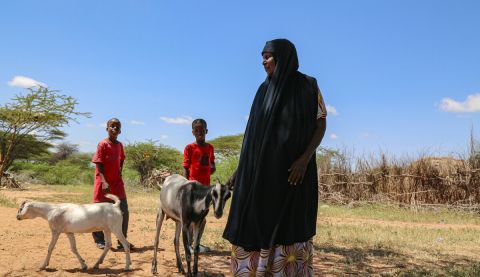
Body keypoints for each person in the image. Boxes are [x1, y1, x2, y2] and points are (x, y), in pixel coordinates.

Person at [223, 39, 327, 276]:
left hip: (294, 176)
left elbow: (320, 124)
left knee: (289, 227)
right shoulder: (263, 90)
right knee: (255, 223)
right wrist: (242, 169)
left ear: (283, 57)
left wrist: (304, 159)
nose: (263, 62)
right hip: (261, 177)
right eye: (262, 57)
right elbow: (253, 137)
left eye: (268, 56)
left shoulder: (308, 86)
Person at [91, 118, 134, 250]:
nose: (114, 128)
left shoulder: (120, 145)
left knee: (123, 211)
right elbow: (98, 163)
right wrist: (103, 181)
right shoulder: (102, 144)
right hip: (103, 183)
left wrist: (120, 173)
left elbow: (122, 160)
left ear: (120, 131)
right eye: (112, 126)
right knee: (99, 212)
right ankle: (99, 240)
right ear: (107, 128)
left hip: (117, 184)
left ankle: (122, 241)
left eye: (117, 127)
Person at [182, 118, 216, 253]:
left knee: (202, 218)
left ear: (206, 131)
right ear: (192, 132)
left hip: (205, 189)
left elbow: (212, 165)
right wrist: (186, 184)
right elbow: (185, 167)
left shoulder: (210, 148)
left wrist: (209, 170)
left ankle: (196, 244)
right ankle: (188, 245)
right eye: (196, 130)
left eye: (201, 130)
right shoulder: (189, 147)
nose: (199, 132)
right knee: (190, 218)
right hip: (193, 188)